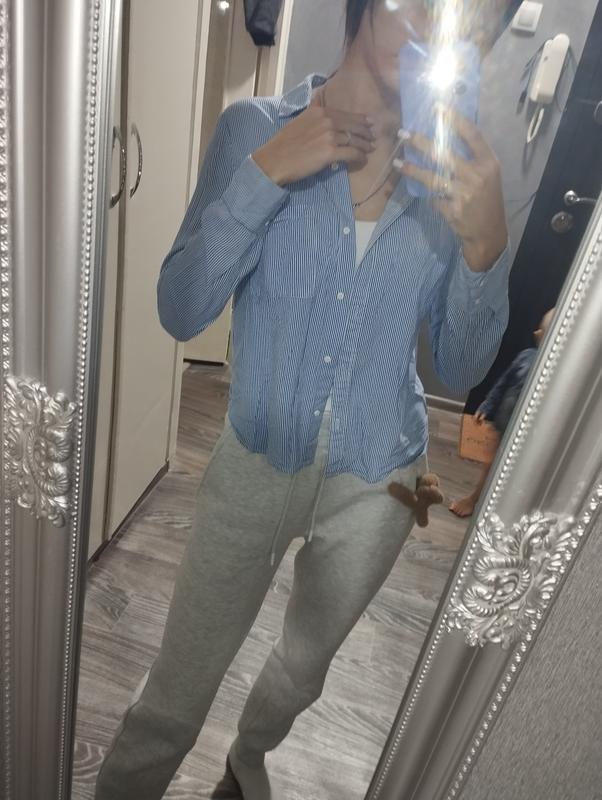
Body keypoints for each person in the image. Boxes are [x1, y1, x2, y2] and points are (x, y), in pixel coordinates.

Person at [94, 2, 512, 798]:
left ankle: (246, 765)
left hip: (379, 485)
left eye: (471, 17)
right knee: (178, 685)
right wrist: (265, 175)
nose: (438, 26)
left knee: (301, 670)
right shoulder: (255, 128)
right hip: (253, 460)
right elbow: (181, 309)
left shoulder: (455, 176)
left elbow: (462, 365)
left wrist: (487, 250)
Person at [450, 308, 555, 518]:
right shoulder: (526, 357)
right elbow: (503, 384)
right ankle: (475, 499)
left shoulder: (557, 372)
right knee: (492, 466)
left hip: (533, 435)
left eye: (542, 330)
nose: (536, 332)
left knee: (521, 473)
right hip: (504, 426)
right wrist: (487, 405)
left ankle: (508, 508)